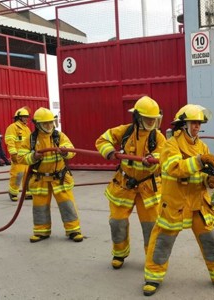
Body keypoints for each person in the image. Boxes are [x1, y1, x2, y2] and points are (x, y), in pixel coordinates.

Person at [143, 104, 214, 296]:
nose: (197, 127)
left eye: (199, 123)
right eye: (193, 123)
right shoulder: (171, 144)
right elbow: (174, 168)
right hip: (175, 204)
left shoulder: (201, 146)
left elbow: (202, 177)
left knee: (211, 238)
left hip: (198, 204)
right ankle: (153, 277)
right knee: (162, 241)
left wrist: (211, 179)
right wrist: (200, 161)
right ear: (183, 124)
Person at [95, 96, 166, 270]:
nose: (151, 122)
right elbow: (102, 140)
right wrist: (110, 151)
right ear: (137, 117)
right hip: (124, 185)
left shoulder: (158, 137)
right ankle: (119, 253)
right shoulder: (125, 131)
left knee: (151, 226)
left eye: (153, 119)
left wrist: (153, 159)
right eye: (148, 118)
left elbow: (164, 155)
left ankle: (152, 259)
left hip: (147, 188)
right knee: (117, 222)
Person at [17, 107, 83, 243]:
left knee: (67, 205)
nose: (49, 126)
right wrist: (34, 156)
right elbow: (21, 157)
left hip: (59, 178)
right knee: (40, 207)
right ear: (37, 124)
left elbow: (71, 150)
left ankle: (73, 230)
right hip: (40, 179)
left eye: (51, 122)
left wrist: (66, 152)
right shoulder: (31, 139)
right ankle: (41, 231)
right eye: (45, 123)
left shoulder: (59, 136)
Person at [5, 107, 32, 201]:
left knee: (28, 175)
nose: (26, 118)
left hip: (27, 156)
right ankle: (13, 192)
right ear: (18, 117)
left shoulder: (26, 129)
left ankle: (27, 193)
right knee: (18, 175)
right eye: (24, 117)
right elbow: (10, 141)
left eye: (27, 117)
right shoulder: (12, 127)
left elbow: (30, 142)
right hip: (18, 156)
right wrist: (13, 154)